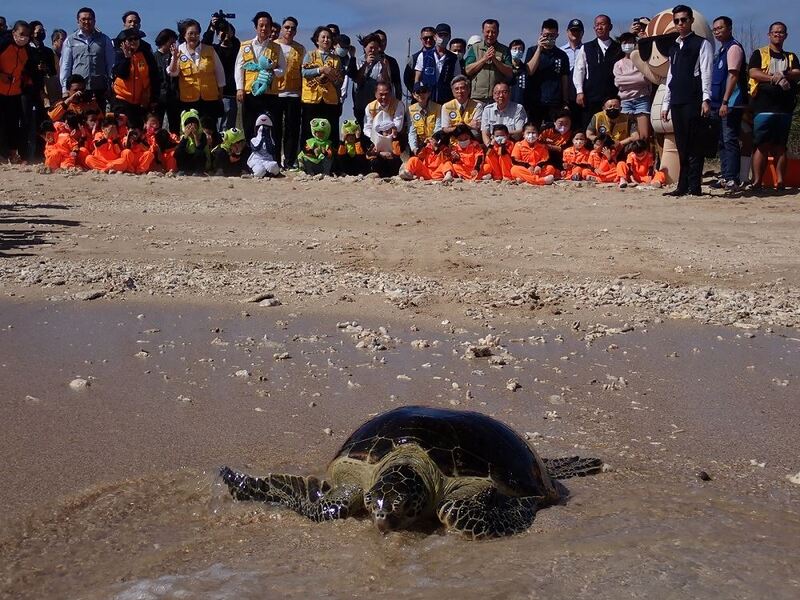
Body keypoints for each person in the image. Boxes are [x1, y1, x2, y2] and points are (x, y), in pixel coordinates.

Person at [661, 5, 713, 197]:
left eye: (684, 20)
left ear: (691, 21)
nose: (680, 24)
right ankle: (682, 186)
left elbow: (707, 72)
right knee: (682, 144)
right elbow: (670, 76)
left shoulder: (702, 43)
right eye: (677, 21)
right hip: (677, 100)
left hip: (694, 99)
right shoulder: (674, 47)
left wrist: (706, 98)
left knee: (695, 143)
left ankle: (695, 186)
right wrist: (666, 103)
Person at [747, 22, 799, 190]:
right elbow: (753, 72)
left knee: (781, 147)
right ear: (769, 35)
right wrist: (772, 78)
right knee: (761, 145)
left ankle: (781, 182)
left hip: (784, 108)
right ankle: (757, 182)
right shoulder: (759, 53)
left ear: (786, 35)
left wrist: (783, 74)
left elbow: (797, 73)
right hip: (763, 107)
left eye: (781, 32)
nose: (778, 35)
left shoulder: (791, 57)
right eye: (775, 32)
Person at [709, 16, 747, 188]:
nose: (717, 31)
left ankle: (733, 177)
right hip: (718, 103)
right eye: (714, 29)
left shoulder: (734, 48)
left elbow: (733, 75)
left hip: (731, 103)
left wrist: (725, 101)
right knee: (721, 141)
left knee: (730, 139)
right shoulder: (721, 51)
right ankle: (725, 175)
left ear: (729, 28)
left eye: (720, 28)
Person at [235, 12, 285, 142]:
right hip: (250, 92)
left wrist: (271, 71)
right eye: (261, 25)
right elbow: (239, 68)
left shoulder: (277, 48)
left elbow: (282, 69)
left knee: (271, 127)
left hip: (270, 93)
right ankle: (249, 159)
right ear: (255, 28)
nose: (264, 29)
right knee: (249, 126)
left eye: (267, 26)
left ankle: (273, 158)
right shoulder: (245, 46)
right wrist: (240, 89)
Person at [167, 19, 225, 122]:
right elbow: (172, 72)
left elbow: (219, 72)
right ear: (184, 35)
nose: (193, 36)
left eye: (196, 33)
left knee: (209, 129)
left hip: (209, 98)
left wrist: (220, 92)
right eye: (190, 33)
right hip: (189, 99)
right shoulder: (179, 50)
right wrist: (175, 58)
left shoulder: (209, 50)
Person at [572, 15, 623, 130]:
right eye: (597, 25)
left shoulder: (618, 48)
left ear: (610, 27)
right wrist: (579, 92)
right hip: (591, 96)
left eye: (602, 24)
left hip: (612, 96)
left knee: (612, 128)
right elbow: (579, 70)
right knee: (590, 127)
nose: (599, 27)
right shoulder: (587, 47)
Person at [60, 7, 115, 109]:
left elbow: (110, 64)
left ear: (94, 21)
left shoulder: (104, 39)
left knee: (98, 119)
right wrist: (65, 89)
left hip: (99, 88)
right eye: (83, 19)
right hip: (78, 89)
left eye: (89, 19)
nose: (87, 22)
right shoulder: (70, 40)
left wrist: (110, 85)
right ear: (78, 21)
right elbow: (65, 66)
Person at [301, 26, 343, 150]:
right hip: (312, 99)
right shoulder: (310, 55)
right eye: (323, 37)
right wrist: (320, 70)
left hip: (330, 99)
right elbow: (304, 72)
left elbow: (339, 79)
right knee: (308, 130)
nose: (326, 40)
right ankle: (306, 157)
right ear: (317, 40)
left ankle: (331, 159)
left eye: (328, 37)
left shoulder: (336, 59)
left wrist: (332, 77)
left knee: (331, 130)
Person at [524, 19, 570, 127]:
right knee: (534, 130)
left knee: (552, 132)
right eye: (546, 35)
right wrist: (539, 49)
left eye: (552, 35)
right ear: (541, 34)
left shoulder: (561, 55)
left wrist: (565, 102)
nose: (549, 38)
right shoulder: (532, 50)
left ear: (557, 35)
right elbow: (529, 71)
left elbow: (564, 79)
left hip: (554, 102)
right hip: (536, 101)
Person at [350, 32, 401, 128]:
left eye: (376, 48)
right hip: (361, 104)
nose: (373, 50)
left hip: (378, 105)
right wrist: (366, 64)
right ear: (365, 47)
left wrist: (384, 67)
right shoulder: (358, 61)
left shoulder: (384, 61)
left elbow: (386, 82)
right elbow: (357, 80)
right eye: (370, 47)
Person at [273, 17, 305, 169]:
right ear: (281, 29)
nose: (289, 30)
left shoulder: (300, 49)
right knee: (276, 129)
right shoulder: (273, 46)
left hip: (294, 94)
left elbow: (303, 70)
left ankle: (290, 161)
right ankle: (275, 160)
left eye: (292, 28)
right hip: (276, 94)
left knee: (292, 129)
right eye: (286, 27)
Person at [0, 20, 34, 163]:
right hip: (0, 89)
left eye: (27, 35)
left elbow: (28, 69)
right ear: (13, 33)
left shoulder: (27, 50)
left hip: (15, 92)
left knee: (13, 124)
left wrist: (28, 80)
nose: (24, 37)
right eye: (21, 34)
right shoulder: (3, 44)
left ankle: (13, 154)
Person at [111, 29, 158, 128]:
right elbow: (121, 74)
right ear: (124, 42)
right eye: (130, 39)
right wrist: (127, 58)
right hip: (122, 99)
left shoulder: (146, 55)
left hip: (140, 101)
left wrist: (153, 98)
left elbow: (154, 77)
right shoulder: (118, 53)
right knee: (123, 129)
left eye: (136, 39)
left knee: (138, 130)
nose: (133, 42)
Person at [203, 15, 241, 132]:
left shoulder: (236, 49)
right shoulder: (213, 49)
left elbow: (236, 42)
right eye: (221, 32)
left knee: (227, 127)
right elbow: (204, 44)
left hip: (230, 93)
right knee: (211, 126)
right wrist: (212, 27)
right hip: (213, 93)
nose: (224, 34)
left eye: (227, 32)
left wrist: (229, 31)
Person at [614, 32, 652, 141]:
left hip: (642, 100)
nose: (627, 45)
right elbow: (618, 82)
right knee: (624, 135)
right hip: (625, 101)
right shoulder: (618, 64)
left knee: (644, 136)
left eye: (630, 42)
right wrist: (637, 78)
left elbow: (645, 79)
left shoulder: (643, 61)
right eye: (625, 42)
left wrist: (627, 79)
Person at [464, 19, 512, 104]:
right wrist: (484, 59)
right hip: (478, 97)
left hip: (497, 97)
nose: (490, 35)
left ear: (498, 32)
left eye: (493, 32)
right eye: (487, 32)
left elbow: (509, 72)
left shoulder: (504, 50)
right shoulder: (475, 48)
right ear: (482, 31)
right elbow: (468, 70)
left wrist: (495, 60)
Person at [363, 81, 404, 177]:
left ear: (391, 93)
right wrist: (376, 137)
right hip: (375, 140)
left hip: (392, 138)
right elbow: (367, 128)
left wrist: (383, 130)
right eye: (381, 94)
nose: (384, 97)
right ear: (375, 94)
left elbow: (398, 125)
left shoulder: (398, 104)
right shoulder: (369, 107)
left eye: (386, 94)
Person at [414, 23, 460, 104]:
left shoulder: (454, 58)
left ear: (449, 37)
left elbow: (457, 80)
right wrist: (417, 92)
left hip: (446, 101)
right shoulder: (424, 56)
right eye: (440, 35)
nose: (443, 38)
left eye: (445, 35)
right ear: (435, 37)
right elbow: (417, 78)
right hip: (427, 100)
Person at [153, 29, 180, 134]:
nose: (173, 45)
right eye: (171, 42)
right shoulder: (154, 57)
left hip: (173, 96)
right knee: (157, 125)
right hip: (159, 97)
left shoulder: (174, 56)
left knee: (175, 126)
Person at [407, 81, 441, 155]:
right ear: (414, 95)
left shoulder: (438, 107)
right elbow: (411, 132)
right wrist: (414, 148)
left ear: (429, 93)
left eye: (424, 91)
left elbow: (438, 128)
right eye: (418, 92)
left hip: (434, 144)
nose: (421, 94)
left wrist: (432, 142)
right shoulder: (410, 110)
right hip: (419, 146)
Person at [174, 108, 209, 174]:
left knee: (200, 153)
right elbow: (180, 149)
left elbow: (200, 149)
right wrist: (186, 136)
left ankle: (198, 171)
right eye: (189, 126)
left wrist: (195, 136)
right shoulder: (183, 136)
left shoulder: (202, 135)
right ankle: (182, 170)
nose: (191, 128)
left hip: (198, 162)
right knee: (178, 151)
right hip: (187, 162)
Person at [247, 113, 280, 177]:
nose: (263, 129)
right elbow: (256, 148)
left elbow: (271, 150)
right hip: (256, 160)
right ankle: (262, 173)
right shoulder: (253, 140)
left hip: (268, 160)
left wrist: (267, 139)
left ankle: (267, 173)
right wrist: (262, 138)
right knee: (259, 171)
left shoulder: (271, 140)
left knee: (275, 167)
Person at [405, 26, 436, 96]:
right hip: (419, 98)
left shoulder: (441, 56)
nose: (428, 40)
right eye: (425, 38)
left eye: (431, 38)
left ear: (435, 38)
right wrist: (415, 92)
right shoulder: (414, 58)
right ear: (421, 39)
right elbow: (407, 78)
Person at [508, 39, 527, 104]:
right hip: (508, 104)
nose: (517, 51)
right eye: (515, 49)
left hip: (522, 105)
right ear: (510, 51)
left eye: (520, 49)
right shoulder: (505, 67)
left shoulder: (526, 69)